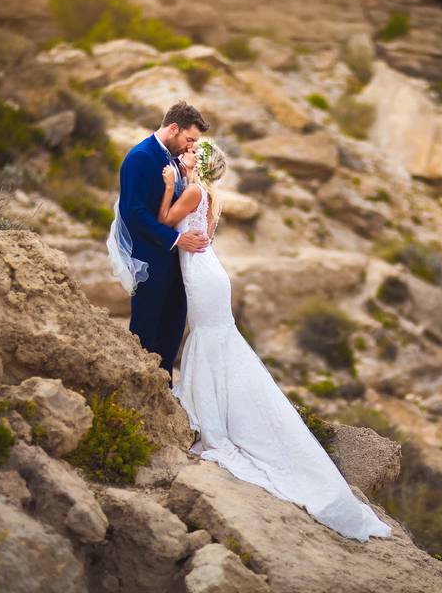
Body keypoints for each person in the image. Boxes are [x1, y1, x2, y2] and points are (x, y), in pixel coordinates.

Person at [156, 138, 392, 542]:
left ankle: (213, 418)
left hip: (200, 273)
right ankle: (215, 406)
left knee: (209, 339)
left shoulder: (193, 189)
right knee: (215, 339)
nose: (187, 154)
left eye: (194, 153)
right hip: (210, 271)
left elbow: (164, 221)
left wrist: (166, 185)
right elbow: (201, 232)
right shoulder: (211, 194)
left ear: (202, 163)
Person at [107, 101, 210, 380]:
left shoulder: (176, 158)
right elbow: (133, 212)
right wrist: (176, 239)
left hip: (177, 262)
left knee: (172, 330)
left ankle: (162, 393)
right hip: (150, 259)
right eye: (189, 139)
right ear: (173, 128)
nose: (191, 146)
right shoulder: (141, 157)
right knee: (146, 332)